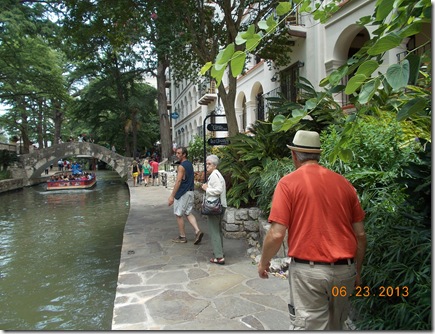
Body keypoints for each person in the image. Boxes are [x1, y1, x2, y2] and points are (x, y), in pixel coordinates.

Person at [257, 130, 367, 331]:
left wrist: (264, 262)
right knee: (337, 326)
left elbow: (276, 233)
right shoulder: (344, 184)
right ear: (318, 155)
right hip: (345, 272)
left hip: (309, 275)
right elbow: (360, 234)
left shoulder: (288, 183)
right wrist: (356, 271)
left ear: (294, 155)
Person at [168, 146, 204, 244]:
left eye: (179, 153)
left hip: (183, 193)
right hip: (190, 192)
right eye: (177, 153)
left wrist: (172, 196)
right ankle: (197, 231)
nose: (177, 155)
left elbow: (179, 181)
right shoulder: (189, 164)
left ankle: (182, 237)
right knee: (188, 213)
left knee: (178, 214)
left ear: (184, 154)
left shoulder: (181, 166)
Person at [201, 155, 227, 265]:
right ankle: (219, 252)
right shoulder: (217, 174)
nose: (207, 166)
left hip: (215, 206)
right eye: (206, 163)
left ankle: (219, 256)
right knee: (218, 229)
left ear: (215, 165)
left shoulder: (215, 175)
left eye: (209, 164)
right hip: (220, 205)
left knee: (214, 231)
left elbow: (218, 190)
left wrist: (207, 189)